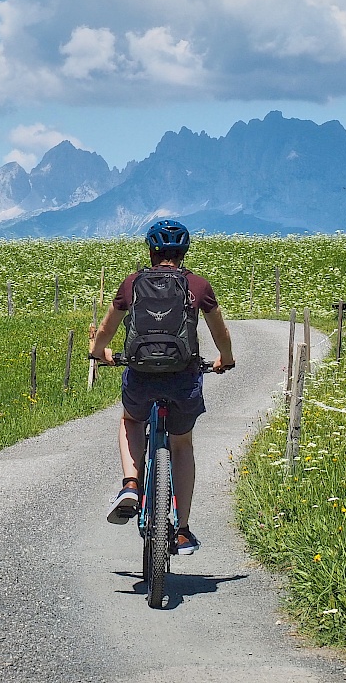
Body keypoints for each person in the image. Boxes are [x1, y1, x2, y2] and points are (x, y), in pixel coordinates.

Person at [89, 218, 235, 555]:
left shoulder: (131, 283)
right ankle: (182, 530)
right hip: (183, 379)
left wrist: (100, 354)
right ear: (183, 252)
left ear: (151, 252)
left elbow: (108, 329)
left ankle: (130, 485)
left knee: (130, 420)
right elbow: (220, 332)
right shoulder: (197, 285)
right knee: (182, 445)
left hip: (140, 376)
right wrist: (225, 359)